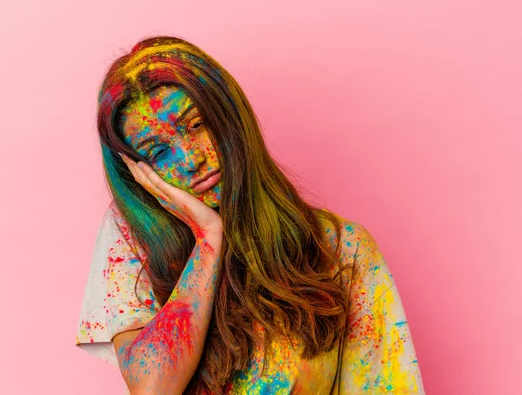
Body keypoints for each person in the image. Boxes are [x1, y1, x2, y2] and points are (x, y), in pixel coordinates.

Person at [74, 35, 426, 394]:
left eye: (196, 125)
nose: (190, 158)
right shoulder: (132, 238)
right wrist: (209, 239)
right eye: (159, 151)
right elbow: (153, 388)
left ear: (229, 116)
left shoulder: (340, 248)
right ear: (139, 170)